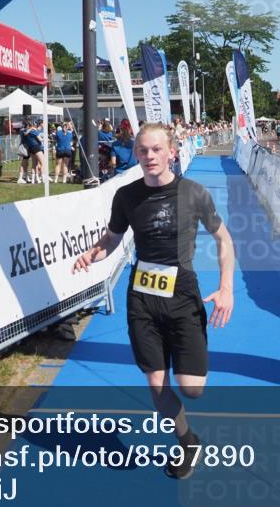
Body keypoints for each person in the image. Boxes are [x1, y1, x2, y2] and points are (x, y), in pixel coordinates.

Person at [72, 123, 235, 479]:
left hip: (182, 296)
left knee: (192, 389)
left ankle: (188, 408)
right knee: (158, 389)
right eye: (143, 150)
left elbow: (224, 240)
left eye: (156, 149)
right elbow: (113, 238)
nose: (149, 156)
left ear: (172, 152)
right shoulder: (127, 196)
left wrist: (226, 288)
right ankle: (187, 440)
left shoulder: (193, 193)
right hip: (142, 300)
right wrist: (94, 253)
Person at [17, 118, 43, 184]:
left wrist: (32, 129)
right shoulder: (23, 130)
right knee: (24, 163)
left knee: (27, 163)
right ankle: (20, 178)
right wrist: (32, 129)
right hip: (24, 147)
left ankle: (26, 177)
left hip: (28, 147)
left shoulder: (27, 130)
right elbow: (25, 133)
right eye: (30, 124)